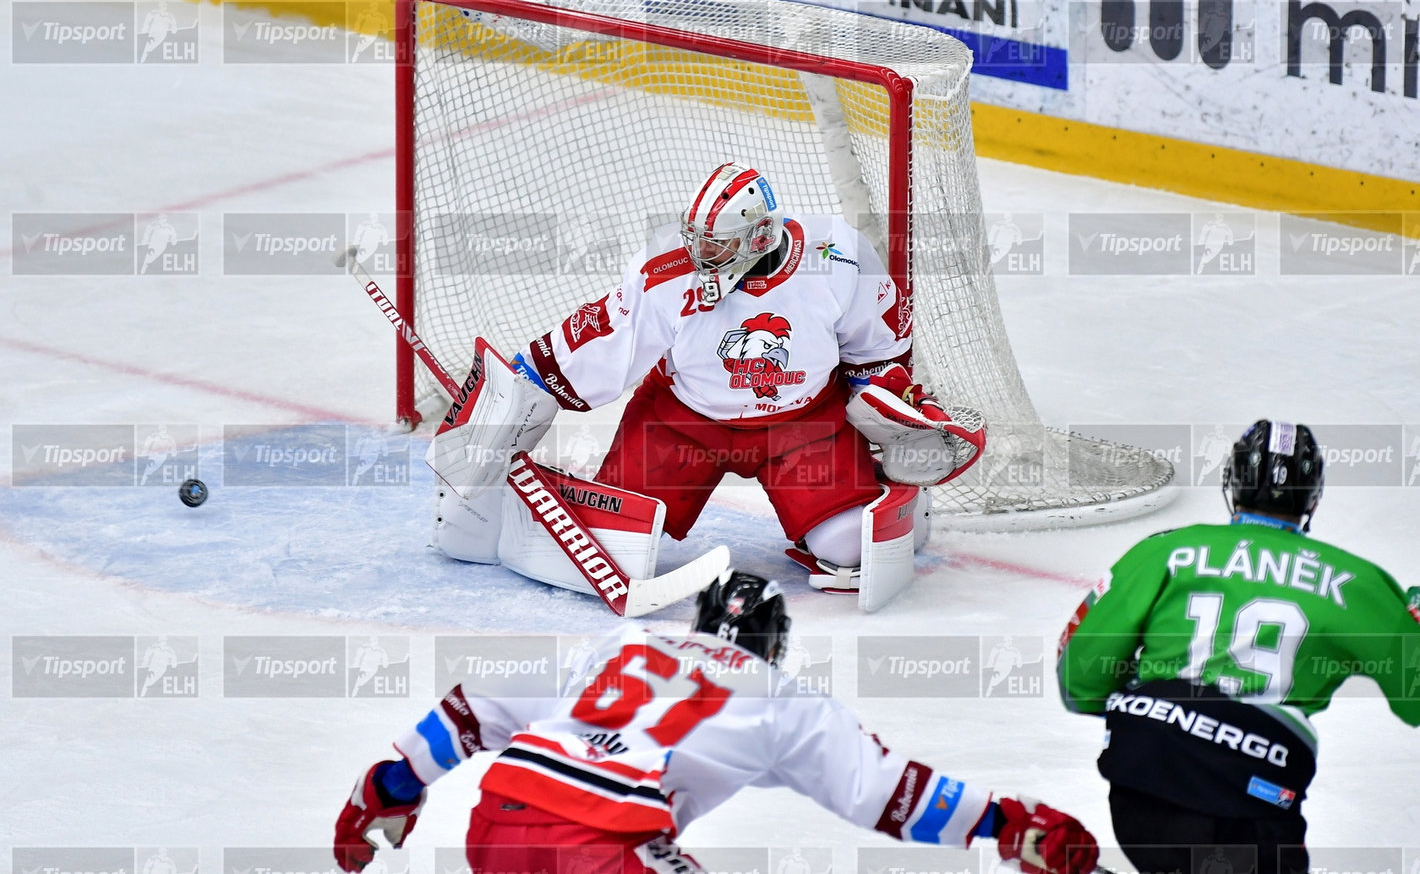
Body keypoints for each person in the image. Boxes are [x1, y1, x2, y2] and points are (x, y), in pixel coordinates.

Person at [335, 569, 1100, 874]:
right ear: (776, 645)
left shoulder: (625, 640)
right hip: (604, 846)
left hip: (499, 824)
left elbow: (476, 707)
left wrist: (391, 783)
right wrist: (1008, 823)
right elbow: (889, 794)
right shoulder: (777, 694)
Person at [463, 162, 985, 595]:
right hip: (683, 423)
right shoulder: (666, 273)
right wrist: (523, 383)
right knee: (612, 538)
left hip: (803, 425)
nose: (698, 255)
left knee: (849, 547)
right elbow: (603, 342)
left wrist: (894, 405)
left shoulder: (838, 256)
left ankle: (901, 498)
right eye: (696, 239)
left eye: (714, 245)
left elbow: (875, 353)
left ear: (759, 237)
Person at [1056, 419, 1420, 874]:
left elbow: (1079, 681)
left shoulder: (1164, 551)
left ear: (1234, 482)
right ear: (1313, 494)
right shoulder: (1358, 583)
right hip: (1249, 802)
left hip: (1142, 783)